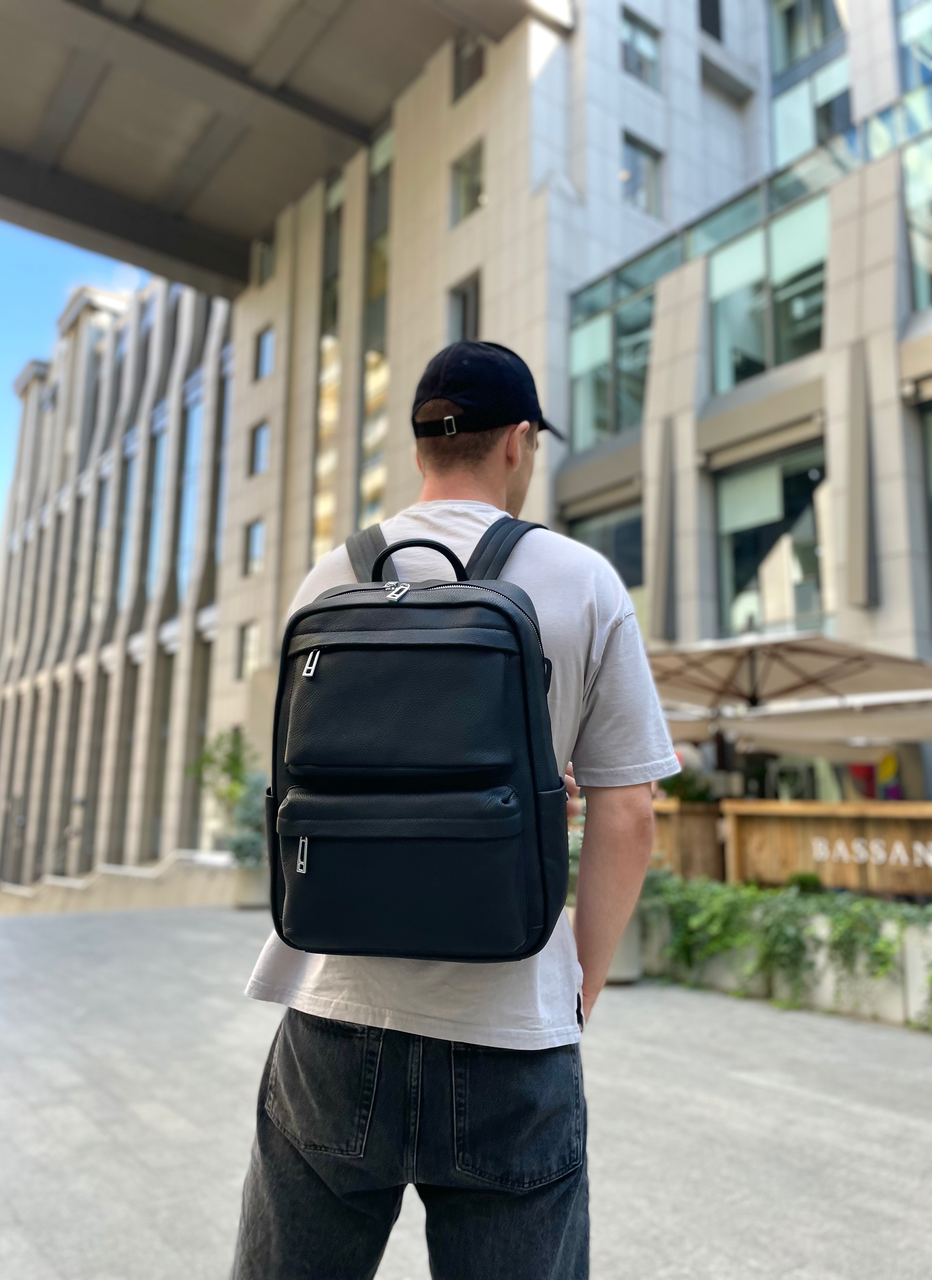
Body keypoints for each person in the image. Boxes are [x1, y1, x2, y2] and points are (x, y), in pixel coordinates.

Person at [232, 341, 679, 1279]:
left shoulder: (330, 578)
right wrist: (578, 985)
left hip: (333, 1014)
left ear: (419, 445)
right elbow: (629, 810)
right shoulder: (580, 579)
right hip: (510, 1030)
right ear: (517, 441)